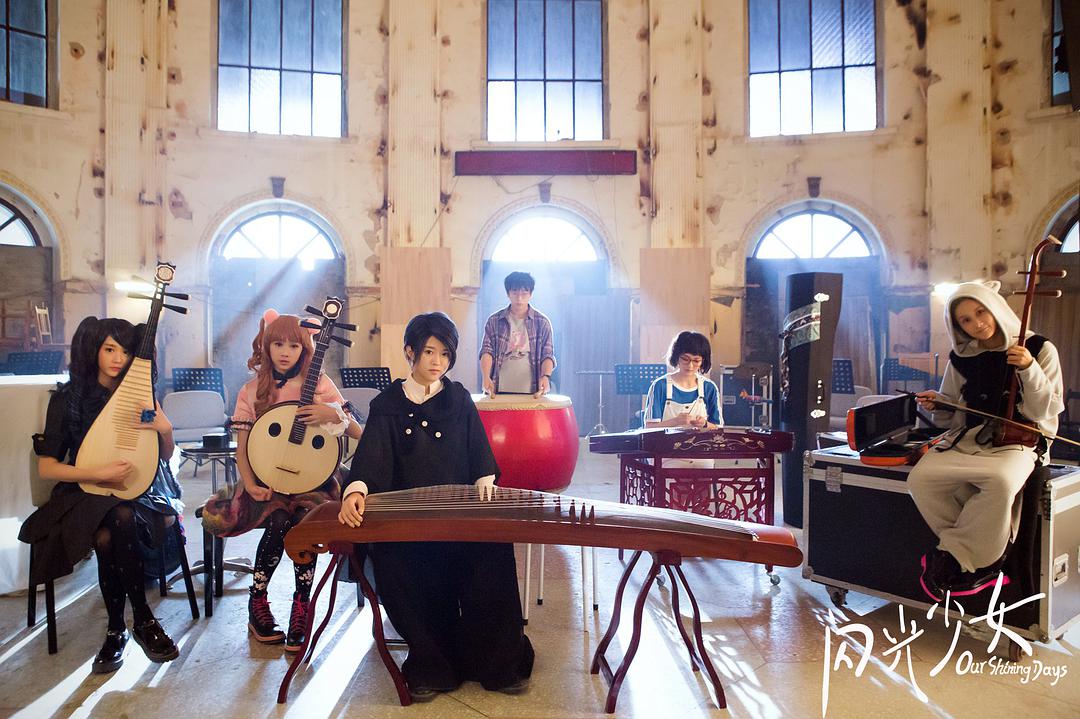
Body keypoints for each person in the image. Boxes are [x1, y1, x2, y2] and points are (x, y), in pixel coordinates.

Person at [338, 312, 534, 701]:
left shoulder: (458, 398)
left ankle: (497, 663)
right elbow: (371, 459)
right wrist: (356, 489)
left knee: (491, 555)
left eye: (445, 354)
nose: (437, 362)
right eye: (429, 352)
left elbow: (478, 451)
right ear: (410, 351)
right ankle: (432, 664)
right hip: (407, 524)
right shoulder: (387, 404)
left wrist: (484, 479)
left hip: (459, 518)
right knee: (402, 565)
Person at [19, 317, 183, 673]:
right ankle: (142, 619)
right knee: (114, 522)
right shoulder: (68, 400)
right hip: (84, 491)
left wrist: (166, 429)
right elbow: (48, 468)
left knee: (110, 532)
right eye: (110, 349)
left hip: (138, 491)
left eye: (125, 351)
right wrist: (99, 474)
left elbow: (164, 456)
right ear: (94, 349)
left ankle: (116, 631)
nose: (117, 359)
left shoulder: (140, 396)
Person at [201, 310, 362, 652]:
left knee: (305, 522)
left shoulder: (320, 384)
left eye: (293, 345)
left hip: (316, 481)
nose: (285, 352)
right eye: (278, 344)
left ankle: (301, 606)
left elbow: (358, 431)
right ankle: (257, 600)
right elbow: (242, 448)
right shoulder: (251, 391)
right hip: (267, 479)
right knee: (277, 519)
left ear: (305, 348)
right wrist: (250, 483)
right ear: (266, 345)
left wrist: (330, 412)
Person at [910, 281, 1063, 601]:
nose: (977, 323)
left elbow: (1043, 411)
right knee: (921, 479)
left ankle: (958, 557)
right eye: (965, 320)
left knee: (1000, 480)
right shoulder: (962, 356)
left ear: (994, 307)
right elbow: (954, 404)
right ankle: (979, 559)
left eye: (981, 312)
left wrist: (1028, 368)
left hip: (1020, 441)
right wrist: (939, 402)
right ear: (958, 326)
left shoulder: (1039, 348)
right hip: (970, 439)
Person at [479, 271, 555, 398]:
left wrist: (546, 376)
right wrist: (486, 376)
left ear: (531, 294)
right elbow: (487, 351)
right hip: (498, 389)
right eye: (515, 292)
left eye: (524, 293)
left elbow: (547, 355)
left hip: (532, 391)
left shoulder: (542, 323)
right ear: (508, 293)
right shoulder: (494, 321)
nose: (519, 298)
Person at [644, 331, 723, 431]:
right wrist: (675, 421)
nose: (690, 365)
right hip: (666, 441)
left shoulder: (709, 387)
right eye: (685, 359)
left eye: (696, 361)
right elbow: (649, 427)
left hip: (701, 441)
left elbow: (718, 428)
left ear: (703, 361)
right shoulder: (660, 386)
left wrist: (705, 424)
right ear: (676, 357)